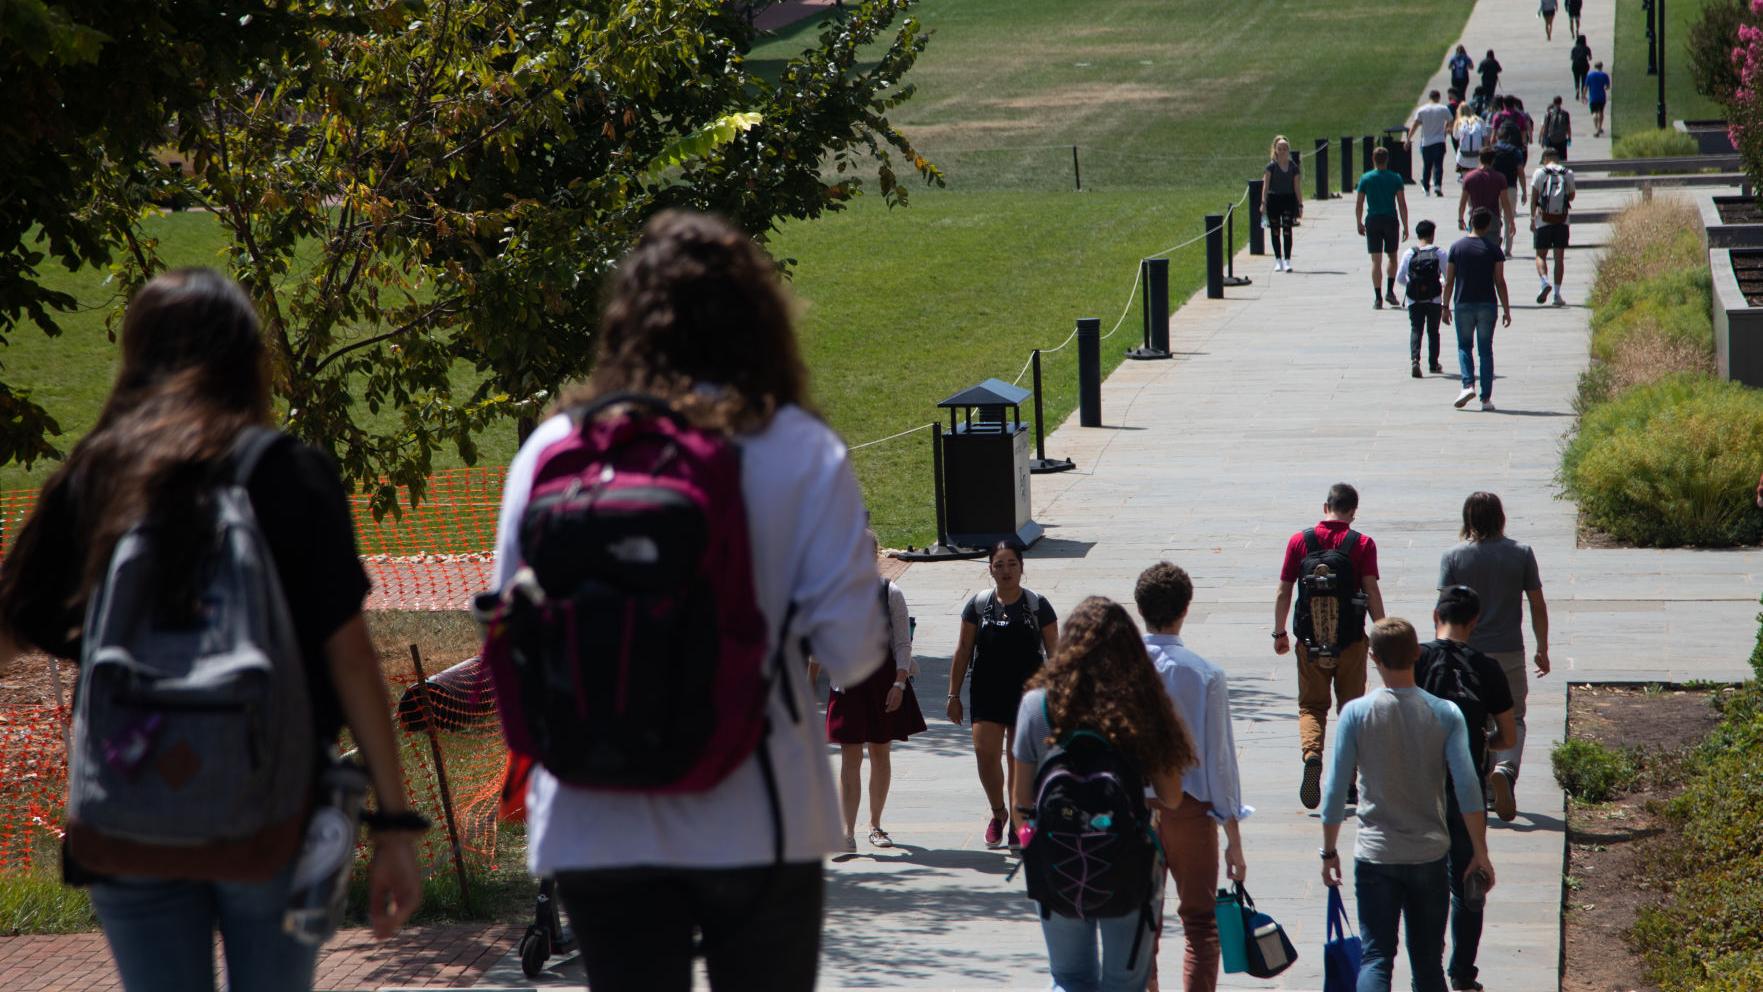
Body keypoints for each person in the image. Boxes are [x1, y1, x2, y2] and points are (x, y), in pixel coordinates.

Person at [489, 210, 888, 991]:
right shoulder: (799, 450)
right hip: (755, 807)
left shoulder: (555, 450)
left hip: (590, 811)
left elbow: (512, 627)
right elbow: (854, 653)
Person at [0, 268, 424, 992]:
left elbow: (13, 625)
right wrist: (393, 825)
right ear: (247, 360)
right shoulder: (290, 473)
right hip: (278, 810)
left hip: (132, 817)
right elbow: (352, 658)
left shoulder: (95, 477)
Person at [1012, 597, 1196, 992]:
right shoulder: (1140, 705)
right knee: (1124, 983)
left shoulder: (1036, 704)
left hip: (1057, 860)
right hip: (1127, 861)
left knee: (1069, 978)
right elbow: (1172, 796)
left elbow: (1020, 804)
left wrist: (1034, 845)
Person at [1319, 619, 1496, 992]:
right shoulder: (1446, 713)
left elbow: (1335, 788)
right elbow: (1467, 786)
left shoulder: (1355, 713)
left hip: (1375, 855)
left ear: (1372, 658)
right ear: (1417, 653)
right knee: (1428, 963)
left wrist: (1329, 850)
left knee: (1376, 957)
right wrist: (1479, 851)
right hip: (1429, 854)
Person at [1135, 563, 1251, 992]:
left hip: (1133, 810)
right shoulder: (1204, 674)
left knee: (1139, 927)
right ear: (1185, 608)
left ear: (1140, 608)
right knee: (1201, 925)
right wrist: (1233, 833)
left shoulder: (1120, 672)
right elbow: (1220, 761)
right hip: (1190, 811)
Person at [1416, 586, 1517, 992]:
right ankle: (1462, 973)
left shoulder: (1416, 659)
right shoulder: (1488, 668)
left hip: (1420, 784)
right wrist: (1485, 744)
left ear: (1434, 613)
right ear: (1475, 622)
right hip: (1468, 784)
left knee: (1424, 882)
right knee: (1469, 875)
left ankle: (1427, 968)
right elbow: (1507, 734)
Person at [809, 533, 926, 851]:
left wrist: (899, 683)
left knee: (880, 752)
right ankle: (847, 833)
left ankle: (875, 825)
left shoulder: (890, 593)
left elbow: (902, 642)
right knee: (849, 757)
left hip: (883, 681)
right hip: (848, 682)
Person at [1273, 483, 1386, 810]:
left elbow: (1284, 591)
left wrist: (1280, 633)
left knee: (1311, 706)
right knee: (1352, 709)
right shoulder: (1362, 544)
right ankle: (1350, 783)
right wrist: (1380, 634)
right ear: (1353, 511)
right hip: (1350, 641)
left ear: (1326, 507)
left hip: (1309, 642)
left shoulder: (1300, 542)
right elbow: (1372, 592)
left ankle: (1312, 756)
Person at [1438, 492, 1550, 822]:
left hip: (1466, 652)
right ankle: (1506, 769)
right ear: (1501, 517)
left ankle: (1483, 786)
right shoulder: (1521, 553)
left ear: (1467, 519)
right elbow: (1537, 603)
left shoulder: (1453, 557)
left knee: (1473, 719)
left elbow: (1444, 610)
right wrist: (1542, 647)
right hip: (1509, 650)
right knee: (1512, 717)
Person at [948, 541, 1059, 849]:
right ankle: (999, 813)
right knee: (985, 753)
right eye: (999, 565)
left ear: (1022, 567)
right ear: (990, 569)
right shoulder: (978, 605)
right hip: (987, 690)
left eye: (1012, 564)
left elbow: (1056, 654)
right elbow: (962, 650)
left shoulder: (1038, 605)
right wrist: (952, 695)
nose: (1006, 570)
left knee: (1016, 761)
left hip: (1028, 694)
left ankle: (1017, 825)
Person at [1442, 208, 1513, 412]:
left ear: (1469, 222)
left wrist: (1445, 306)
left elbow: (1449, 281)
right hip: (1487, 305)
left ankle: (1467, 386)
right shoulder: (1493, 249)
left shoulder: (1456, 248)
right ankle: (1486, 399)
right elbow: (1500, 281)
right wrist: (1506, 309)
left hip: (1463, 304)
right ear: (1489, 225)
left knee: (1464, 347)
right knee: (1485, 351)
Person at [1355, 146, 1410, 310]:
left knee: (1375, 260)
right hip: (1390, 220)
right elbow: (1401, 203)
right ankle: (1390, 291)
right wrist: (1406, 225)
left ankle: (1377, 297)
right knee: (1392, 257)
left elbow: (1359, 203)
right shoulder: (1395, 178)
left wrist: (1358, 222)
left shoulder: (1366, 178)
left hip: (1373, 220)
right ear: (1387, 159)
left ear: (1373, 159)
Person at [1398, 220, 1446, 377]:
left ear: (1418, 235)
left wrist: (1411, 286)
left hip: (1414, 300)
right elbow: (1449, 276)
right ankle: (1433, 364)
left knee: (1416, 329)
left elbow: (1399, 278)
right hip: (1434, 300)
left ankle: (1415, 360)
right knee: (1433, 332)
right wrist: (1440, 284)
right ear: (1432, 234)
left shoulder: (1409, 253)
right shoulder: (1440, 253)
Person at [1530, 147, 1577, 306]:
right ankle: (1557, 295)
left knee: (1541, 255)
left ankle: (1544, 282)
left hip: (1543, 220)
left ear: (1545, 158)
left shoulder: (1539, 173)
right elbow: (1571, 196)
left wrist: (1532, 218)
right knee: (1559, 258)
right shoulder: (1567, 173)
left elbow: (1534, 198)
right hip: (1562, 220)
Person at [1263, 135, 1303, 272]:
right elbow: (1266, 186)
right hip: (1273, 200)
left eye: (1285, 149)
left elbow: (1297, 187)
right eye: (1280, 149)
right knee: (1275, 231)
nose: (1283, 151)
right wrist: (1263, 203)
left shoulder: (1293, 167)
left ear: (1288, 150)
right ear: (1276, 150)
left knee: (1287, 230)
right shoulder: (1271, 167)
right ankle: (1278, 260)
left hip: (1288, 200)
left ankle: (1287, 260)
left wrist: (1300, 204)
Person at [1489, 124, 1528, 257]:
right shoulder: (1515, 151)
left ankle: (1494, 246)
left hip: (1494, 189)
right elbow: (1520, 172)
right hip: (1510, 187)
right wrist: (1524, 190)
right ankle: (1507, 249)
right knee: (1509, 219)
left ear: (1498, 137)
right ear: (1509, 137)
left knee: (1494, 218)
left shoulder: (1492, 150)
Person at [1409, 90, 1455, 197]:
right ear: (1438, 98)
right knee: (1438, 164)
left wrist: (1408, 138)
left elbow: (1415, 124)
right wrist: (1447, 128)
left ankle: (1426, 188)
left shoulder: (1422, 109)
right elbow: (1451, 120)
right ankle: (1438, 185)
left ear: (1429, 97)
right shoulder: (1443, 108)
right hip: (1439, 140)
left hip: (1426, 142)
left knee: (1427, 165)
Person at [1458, 148, 1507, 244]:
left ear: (1479, 159)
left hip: (1475, 217)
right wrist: (1510, 221)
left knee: (1476, 248)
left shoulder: (1469, 177)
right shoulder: (1499, 177)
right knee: (1492, 251)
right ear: (1493, 160)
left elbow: (1462, 202)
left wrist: (1460, 219)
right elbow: (1505, 202)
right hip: (1493, 218)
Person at [1454, 105, 1491, 178]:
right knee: (1477, 178)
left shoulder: (1459, 121)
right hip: (1477, 157)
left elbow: (1456, 136)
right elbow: (1486, 138)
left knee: (1466, 179)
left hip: (1463, 158)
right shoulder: (1479, 120)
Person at [1540, 95, 1573, 160]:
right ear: (1561, 103)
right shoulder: (1565, 113)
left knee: (1551, 157)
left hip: (1551, 139)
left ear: (1553, 103)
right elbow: (1568, 127)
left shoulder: (1549, 114)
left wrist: (1543, 139)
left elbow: (1545, 127)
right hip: (1562, 139)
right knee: (1563, 158)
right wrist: (1569, 138)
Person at [1586, 62, 1612, 136]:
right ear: (1601, 67)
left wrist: (1584, 96)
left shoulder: (1590, 75)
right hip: (1601, 97)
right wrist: (1604, 87)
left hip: (1593, 97)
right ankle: (1599, 128)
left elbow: (1585, 87)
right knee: (1601, 112)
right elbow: (1607, 87)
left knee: (1594, 113)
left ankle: (1596, 128)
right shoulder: (1605, 75)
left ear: (1594, 67)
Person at [1570, 35, 1593, 102]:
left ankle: (1577, 89)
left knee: (1576, 79)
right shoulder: (1587, 48)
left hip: (1575, 65)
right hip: (1584, 65)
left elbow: (1572, 58)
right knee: (1584, 79)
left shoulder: (1574, 48)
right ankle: (1583, 93)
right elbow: (1590, 58)